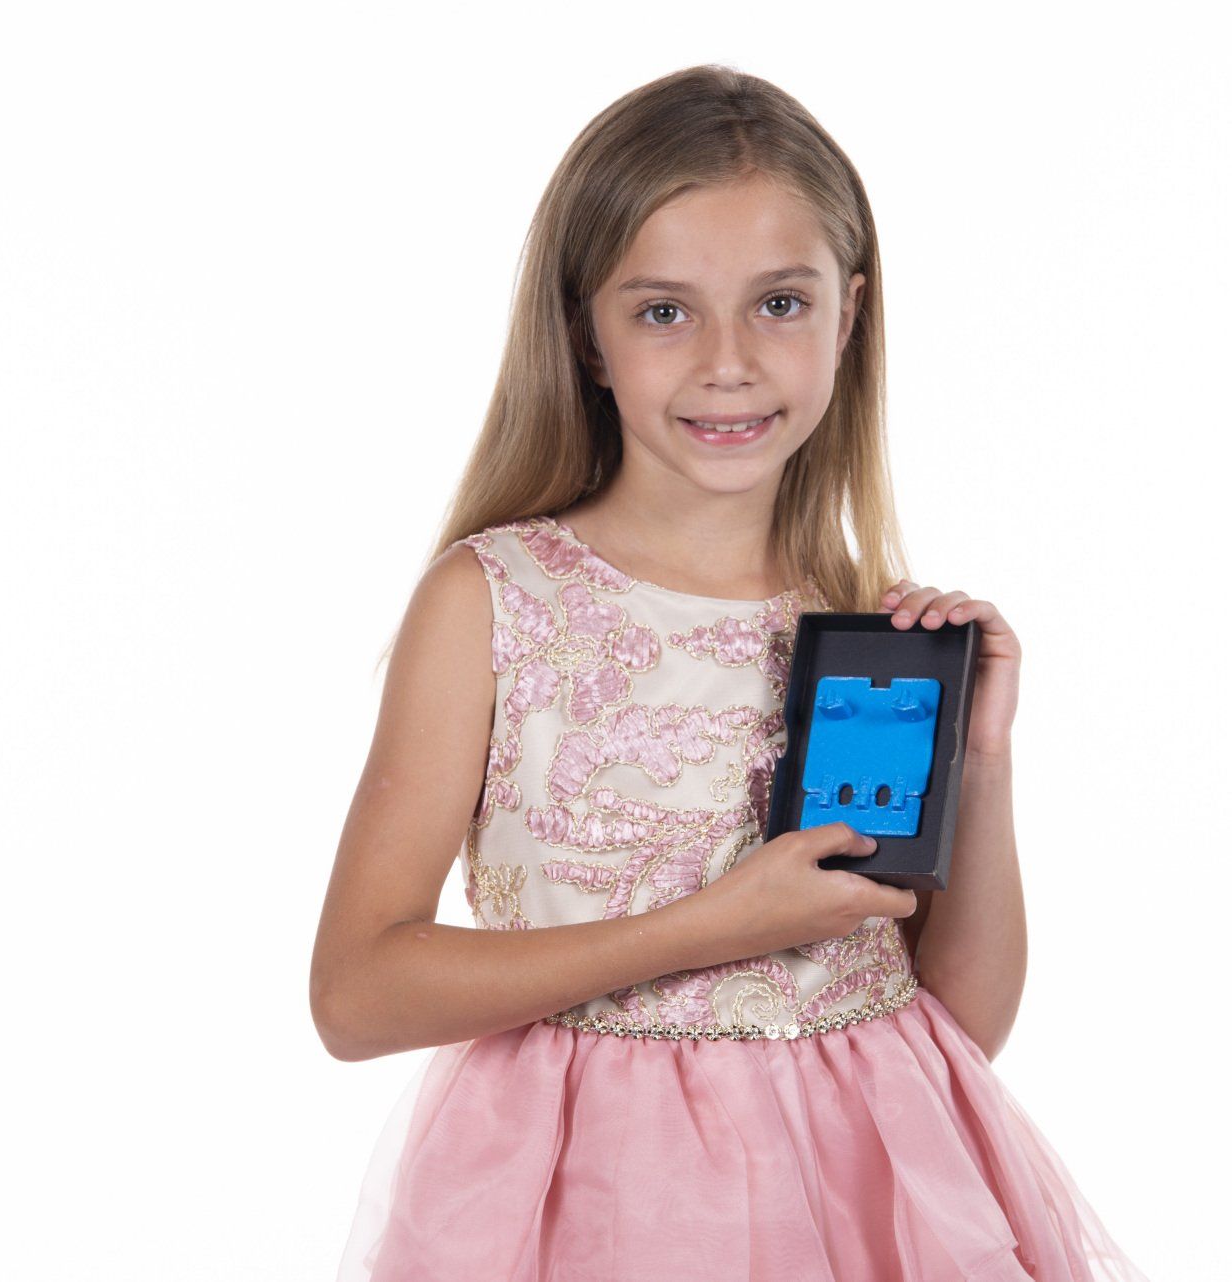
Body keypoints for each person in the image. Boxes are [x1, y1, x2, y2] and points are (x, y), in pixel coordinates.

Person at [312, 63, 1154, 1282]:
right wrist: (710, 927)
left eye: (778, 303)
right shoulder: (496, 601)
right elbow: (356, 992)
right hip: (593, 1204)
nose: (727, 362)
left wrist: (980, 754)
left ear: (848, 315)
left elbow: (953, 1024)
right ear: (584, 334)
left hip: (870, 1196)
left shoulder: (874, 629)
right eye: (663, 311)